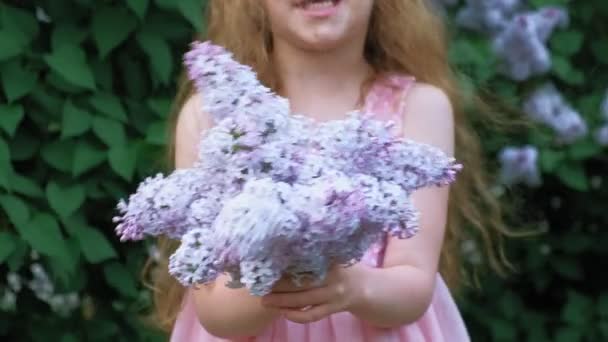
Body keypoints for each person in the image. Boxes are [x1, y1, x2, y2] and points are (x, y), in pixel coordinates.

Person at [147, 0, 512, 340]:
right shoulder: (212, 116)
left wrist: (351, 286)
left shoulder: (418, 108)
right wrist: (277, 274)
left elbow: (414, 285)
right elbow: (215, 310)